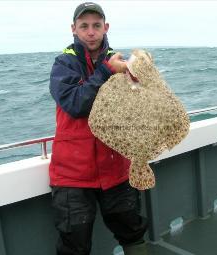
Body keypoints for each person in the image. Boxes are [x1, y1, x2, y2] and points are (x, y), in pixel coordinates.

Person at [49, 2, 148, 255]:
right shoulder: (64, 64)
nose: (90, 32)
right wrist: (106, 71)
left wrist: (141, 74)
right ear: (74, 29)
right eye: (84, 26)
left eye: (96, 26)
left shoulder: (121, 63)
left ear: (105, 28)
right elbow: (75, 103)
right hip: (73, 173)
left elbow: (138, 106)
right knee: (75, 243)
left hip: (115, 166)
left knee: (132, 230)